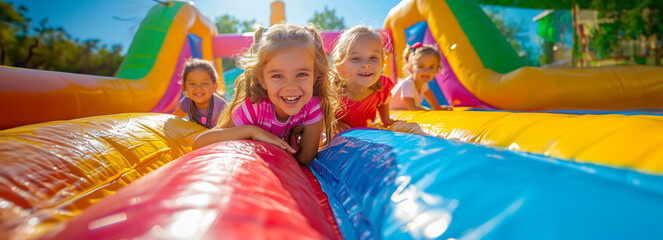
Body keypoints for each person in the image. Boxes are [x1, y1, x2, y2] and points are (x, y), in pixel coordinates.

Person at [192, 23, 340, 165]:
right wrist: (250, 131)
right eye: (277, 76)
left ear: (315, 76)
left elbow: (306, 158)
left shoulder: (312, 106)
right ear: (262, 80)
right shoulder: (254, 108)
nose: (291, 86)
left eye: (301, 74)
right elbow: (200, 143)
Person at [332, 26, 401, 133]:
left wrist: (386, 120)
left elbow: (382, 102)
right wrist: (334, 123)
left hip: (366, 132)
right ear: (340, 66)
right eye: (356, 58)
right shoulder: (334, 89)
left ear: (383, 62)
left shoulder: (382, 84)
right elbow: (322, 111)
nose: (366, 64)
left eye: (373, 57)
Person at [390, 43, 452, 111]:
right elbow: (412, 107)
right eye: (421, 66)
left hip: (405, 111)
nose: (426, 71)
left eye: (431, 67)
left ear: (437, 68)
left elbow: (429, 95)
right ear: (410, 68)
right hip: (394, 112)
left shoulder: (422, 84)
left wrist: (438, 108)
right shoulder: (407, 84)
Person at [173, 58, 226, 128]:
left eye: (205, 83)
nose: (198, 87)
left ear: (214, 86)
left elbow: (227, 131)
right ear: (185, 86)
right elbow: (173, 119)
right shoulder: (186, 102)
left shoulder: (221, 107)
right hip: (197, 135)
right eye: (192, 83)